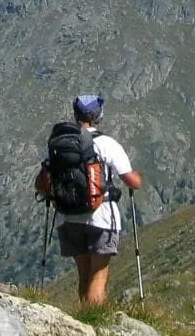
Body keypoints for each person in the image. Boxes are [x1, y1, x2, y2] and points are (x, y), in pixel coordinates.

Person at [41, 94, 143, 307]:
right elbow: (132, 181)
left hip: (68, 216)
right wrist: (137, 177)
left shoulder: (60, 144)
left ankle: (83, 320)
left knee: (84, 275)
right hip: (101, 215)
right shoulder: (107, 144)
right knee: (98, 275)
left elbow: (40, 183)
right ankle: (93, 324)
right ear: (98, 115)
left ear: (76, 114)